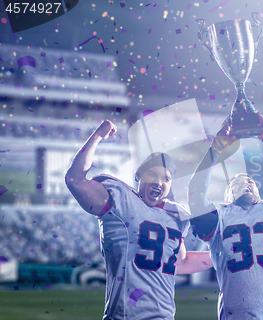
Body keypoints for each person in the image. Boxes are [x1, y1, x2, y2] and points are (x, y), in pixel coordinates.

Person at [65, 119, 212, 320]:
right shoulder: (118, 198)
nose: (159, 182)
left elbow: (182, 263)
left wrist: (221, 255)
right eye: (153, 174)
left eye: (166, 179)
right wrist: (97, 136)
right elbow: (75, 179)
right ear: (139, 175)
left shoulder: (176, 217)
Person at [188, 115, 263, 319]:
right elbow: (195, 190)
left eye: (251, 181)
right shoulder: (219, 217)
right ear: (227, 197)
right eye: (236, 182)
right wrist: (215, 149)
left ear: (259, 193)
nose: (246, 182)